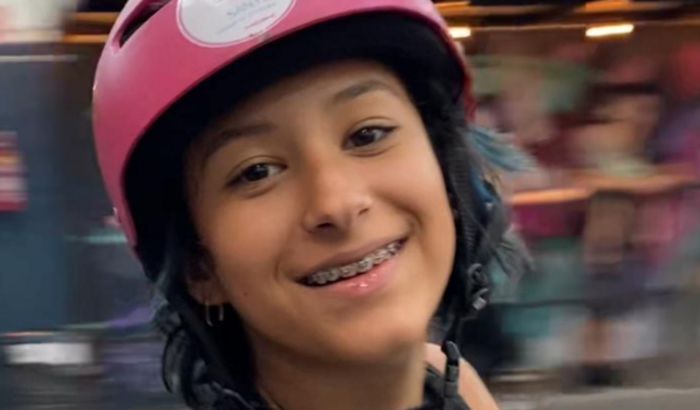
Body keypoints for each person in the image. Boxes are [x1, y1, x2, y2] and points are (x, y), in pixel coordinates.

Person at [92, 1, 521, 409]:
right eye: (256, 172)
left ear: (448, 171)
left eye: (368, 135)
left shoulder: (455, 385)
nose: (338, 204)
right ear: (198, 267)